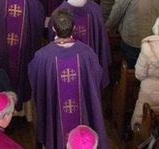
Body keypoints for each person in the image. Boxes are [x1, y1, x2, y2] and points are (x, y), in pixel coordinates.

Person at [29, 9, 108, 148]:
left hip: (55, 112)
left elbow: (36, 83)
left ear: (53, 28)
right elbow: (98, 78)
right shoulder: (87, 53)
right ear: (74, 27)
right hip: (82, 113)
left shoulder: (42, 56)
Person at [53, 0, 111, 79]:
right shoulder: (95, 10)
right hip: (91, 67)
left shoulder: (58, 13)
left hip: (66, 69)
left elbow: (53, 46)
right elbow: (102, 41)